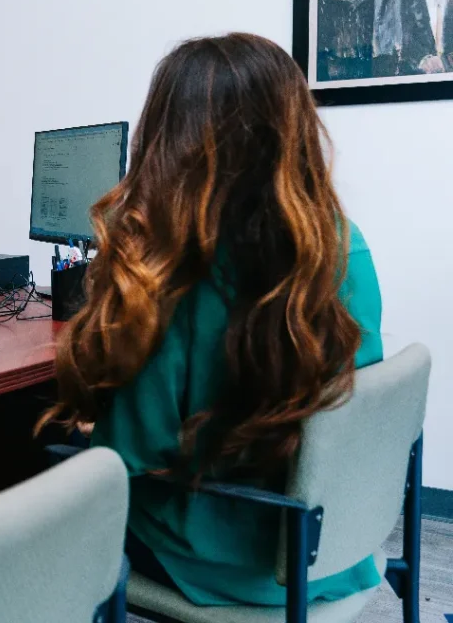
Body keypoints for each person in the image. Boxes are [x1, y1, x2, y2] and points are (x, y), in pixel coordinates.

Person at [40, 34, 384, 606]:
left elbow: (131, 456)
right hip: (324, 544)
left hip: (215, 556)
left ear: (170, 139)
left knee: (46, 476)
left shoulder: (180, 272)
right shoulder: (344, 243)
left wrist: (91, 427)